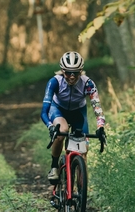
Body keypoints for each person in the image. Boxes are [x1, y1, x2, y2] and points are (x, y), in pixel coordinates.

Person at [41, 51, 106, 184]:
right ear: (62, 71)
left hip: (78, 112)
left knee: (83, 151)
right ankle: (54, 167)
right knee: (62, 132)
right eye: (68, 72)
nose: (71, 76)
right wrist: (50, 126)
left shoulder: (88, 84)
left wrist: (101, 126)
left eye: (75, 73)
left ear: (81, 71)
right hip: (58, 110)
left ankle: (80, 192)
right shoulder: (54, 82)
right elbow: (44, 111)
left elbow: (97, 108)